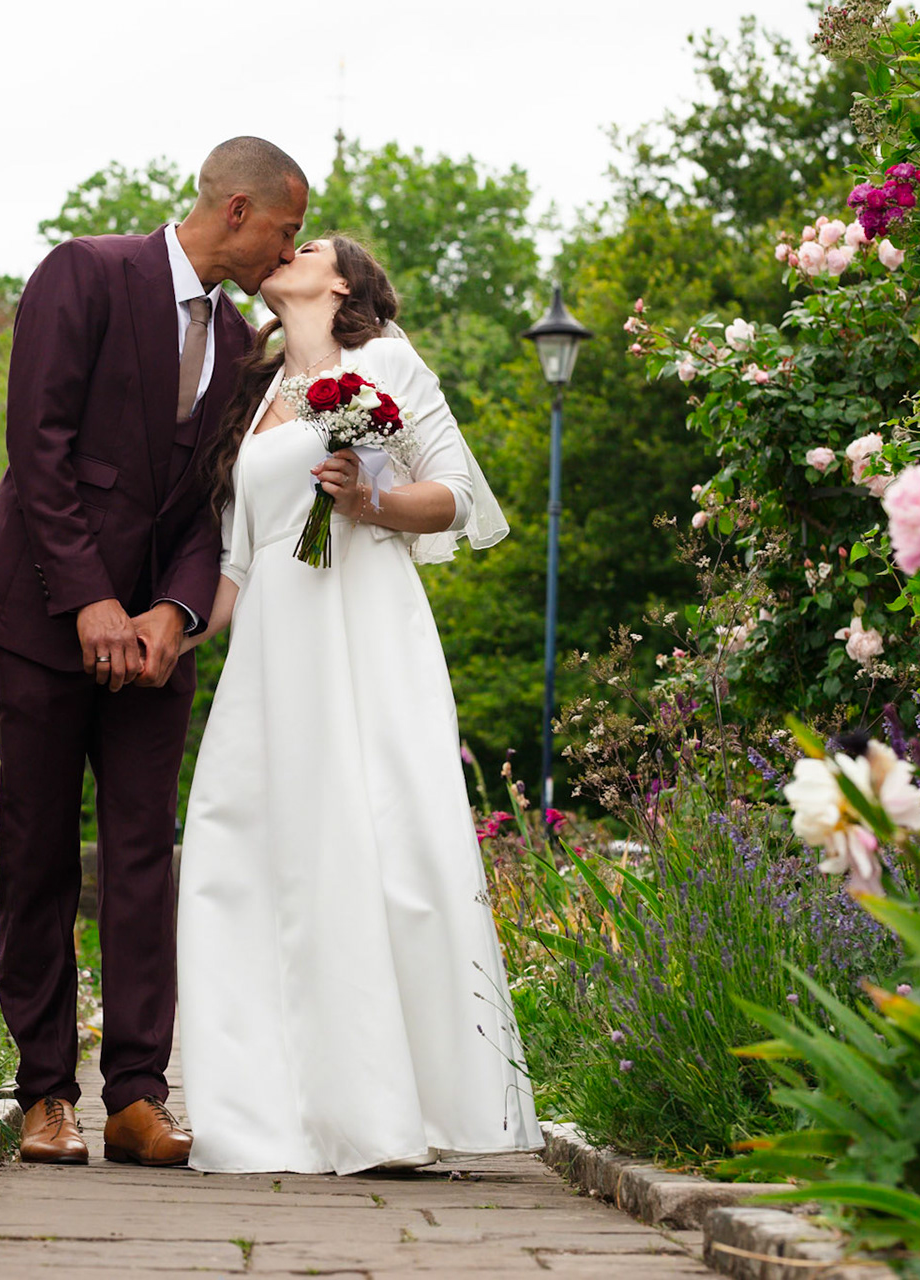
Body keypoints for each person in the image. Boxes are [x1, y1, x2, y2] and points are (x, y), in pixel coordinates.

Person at [0, 137, 308, 1166]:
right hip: (38, 613)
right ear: (238, 210)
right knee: (39, 850)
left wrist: (176, 615)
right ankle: (46, 1092)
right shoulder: (86, 272)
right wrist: (91, 601)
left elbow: (215, 498)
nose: (290, 250)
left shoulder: (247, 342)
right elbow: (39, 448)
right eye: (285, 228)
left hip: (153, 638)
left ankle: (138, 1094)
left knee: (148, 857)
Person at [175, 235, 541, 1174]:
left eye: (309, 245)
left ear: (340, 283)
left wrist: (367, 502)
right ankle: (269, 1108)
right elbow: (234, 558)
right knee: (245, 850)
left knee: (377, 845)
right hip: (271, 649)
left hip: (366, 628)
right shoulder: (255, 395)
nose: (285, 250)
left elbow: (457, 496)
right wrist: (170, 635)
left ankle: (388, 1111)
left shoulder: (386, 361)